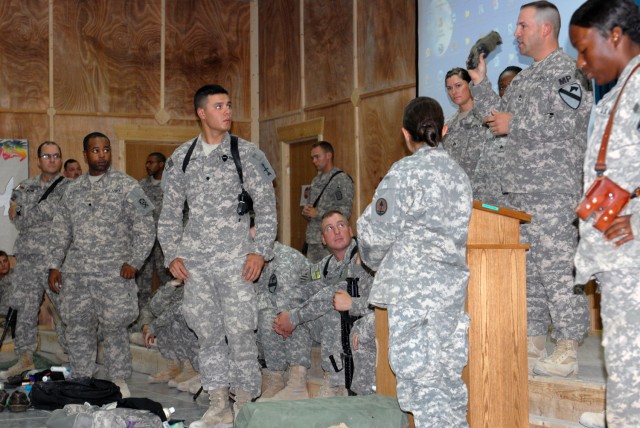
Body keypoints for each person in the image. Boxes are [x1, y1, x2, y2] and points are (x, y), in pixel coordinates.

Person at [468, 0, 592, 377]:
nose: (516, 33)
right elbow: (496, 121)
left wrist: (515, 123)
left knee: (557, 269)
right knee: (529, 273)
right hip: (518, 193)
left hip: (553, 190)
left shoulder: (569, 72)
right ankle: (535, 342)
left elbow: (568, 120)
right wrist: (481, 84)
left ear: (545, 29)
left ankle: (568, 347)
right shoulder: (522, 78)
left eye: (522, 26)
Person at [157, 84, 277, 426]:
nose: (227, 111)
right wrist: (171, 256)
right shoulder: (181, 158)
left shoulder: (247, 153)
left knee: (240, 333)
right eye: (219, 106)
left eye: (229, 104)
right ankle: (218, 402)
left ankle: (244, 403)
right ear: (202, 113)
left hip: (237, 261)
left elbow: (267, 208)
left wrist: (260, 251)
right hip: (195, 265)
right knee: (207, 335)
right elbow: (168, 214)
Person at [357, 97, 472, 427]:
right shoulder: (459, 176)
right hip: (450, 297)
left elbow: (374, 233)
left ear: (405, 133)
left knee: (420, 388)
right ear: (444, 130)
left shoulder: (404, 172)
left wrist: (377, 261)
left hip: (414, 296)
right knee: (448, 386)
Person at [569, 1, 640, 426]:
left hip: (632, 254)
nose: (581, 62)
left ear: (614, 35)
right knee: (624, 356)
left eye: (583, 48)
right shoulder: (620, 92)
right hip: (620, 260)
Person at [47, 132, 155, 398]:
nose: (102, 155)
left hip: (114, 274)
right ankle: (83, 379)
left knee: (115, 328)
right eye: (96, 151)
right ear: (85, 154)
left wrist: (135, 261)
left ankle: (118, 380)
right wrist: (54, 265)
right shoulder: (71, 190)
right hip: (78, 275)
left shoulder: (128, 186)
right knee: (79, 328)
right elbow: (60, 230)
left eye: (106, 150)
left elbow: (146, 227)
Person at [273, 210, 375, 398]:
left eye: (341, 225)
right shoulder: (323, 266)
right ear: (323, 240)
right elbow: (298, 288)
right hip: (338, 326)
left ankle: (335, 383)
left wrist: (294, 316)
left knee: (330, 309)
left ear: (351, 231)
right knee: (297, 312)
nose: (336, 231)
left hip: (364, 320)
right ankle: (297, 379)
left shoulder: (364, 257)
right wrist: (287, 314)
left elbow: (334, 294)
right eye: (329, 228)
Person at [0, 141, 70, 379]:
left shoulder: (70, 187)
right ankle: (25, 358)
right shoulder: (25, 186)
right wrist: (31, 213)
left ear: (60, 160)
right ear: (38, 160)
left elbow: (60, 216)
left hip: (58, 259)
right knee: (25, 309)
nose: (52, 159)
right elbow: (16, 218)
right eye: (47, 156)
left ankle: (74, 355)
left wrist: (27, 212)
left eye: (56, 155)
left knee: (67, 309)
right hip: (28, 258)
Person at [254, 235, 310, 400]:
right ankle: (275, 379)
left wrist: (281, 320)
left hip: (306, 316)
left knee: (272, 317)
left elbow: (289, 303)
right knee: (250, 316)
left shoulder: (285, 258)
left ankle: (296, 381)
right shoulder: (254, 260)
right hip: (281, 315)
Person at [142, 279, 200, 394]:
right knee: (166, 323)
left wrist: (153, 326)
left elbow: (177, 310)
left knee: (176, 322)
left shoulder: (198, 285)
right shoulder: (177, 288)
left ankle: (192, 368)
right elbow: (153, 308)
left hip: (201, 334)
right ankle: (175, 367)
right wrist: (171, 285)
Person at [135, 152, 172, 328]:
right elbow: (135, 212)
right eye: (147, 162)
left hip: (166, 245)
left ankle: (165, 322)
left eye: (153, 162)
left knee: (168, 284)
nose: (148, 166)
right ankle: (142, 322)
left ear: (162, 164)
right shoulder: (140, 186)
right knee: (143, 285)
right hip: (145, 244)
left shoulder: (172, 186)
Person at [302, 141, 354, 262]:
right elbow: (312, 208)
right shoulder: (315, 180)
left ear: (328, 155)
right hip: (313, 241)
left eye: (317, 157)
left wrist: (318, 213)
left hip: (331, 242)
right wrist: (307, 211)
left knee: (332, 277)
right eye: (312, 158)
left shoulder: (340, 180)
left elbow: (345, 212)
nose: (314, 161)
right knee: (314, 277)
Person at [442, 67, 487, 181]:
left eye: (458, 85)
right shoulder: (446, 125)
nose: (454, 92)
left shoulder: (485, 118)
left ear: (470, 84)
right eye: (449, 88)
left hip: (481, 190)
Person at [0, 251, 14, 324]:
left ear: (8, 262)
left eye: (5, 261)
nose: (3, 265)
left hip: (14, 316)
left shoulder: (18, 275)